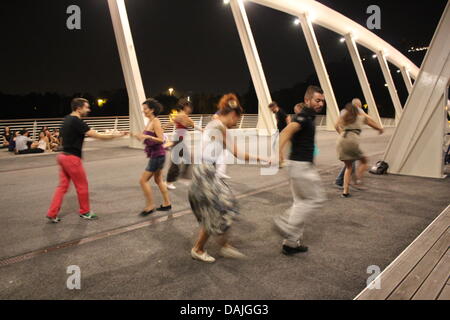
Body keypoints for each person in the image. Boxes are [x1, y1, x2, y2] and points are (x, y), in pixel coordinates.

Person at [189, 93, 267, 263]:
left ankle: (224, 246)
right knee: (218, 211)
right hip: (205, 174)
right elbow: (238, 153)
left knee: (225, 207)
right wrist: (263, 159)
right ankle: (198, 249)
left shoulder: (215, 124)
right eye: (237, 120)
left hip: (205, 172)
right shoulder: (220, 127)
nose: (236, 124)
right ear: (233, 115)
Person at [46, 98, 127, 223]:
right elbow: (98, 136)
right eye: (86, 107)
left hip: (62, 156)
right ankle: (85, 212)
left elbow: (62, 139)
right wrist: (118, 135)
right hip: (72, 158)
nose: (88, 109)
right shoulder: (77, 121)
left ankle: (52, 213)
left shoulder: (66, 119)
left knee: (62, 186)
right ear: (79, 108)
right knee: (82, 186)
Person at [274, 86, 327, 256]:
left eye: (322, 101)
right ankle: (284, 224)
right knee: (315, 199)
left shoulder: (308, 116)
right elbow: (286, 132)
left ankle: (290, 243)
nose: (321, 103)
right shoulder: (304, 116)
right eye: (317, 100)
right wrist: (279, 155)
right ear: (307, 100)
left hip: (296, 165)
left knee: (300, 203)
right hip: (301, 166)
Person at [131, 98, 172, 216]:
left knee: (143, 181)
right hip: (156, 155)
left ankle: (150, 206)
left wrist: (150, 137)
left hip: (158, 155)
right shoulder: (149, 122)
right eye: (143, 109)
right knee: (158, 180)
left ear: (152, 110)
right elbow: (142, 136)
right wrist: (131, 134)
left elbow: (160, 139)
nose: (143, 111)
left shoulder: (156, 121)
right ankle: (167, 203)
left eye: (145, 109)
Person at [335, 100, 384, 198]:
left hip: (341, 140)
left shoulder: (344, 118)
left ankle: (345, 192)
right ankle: (357, 180)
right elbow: (371, 123)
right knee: (364, 161)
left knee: (348, 167)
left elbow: (336, 126)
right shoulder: (360, 118)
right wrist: (380, 129)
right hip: (352, 141)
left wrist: (342, 133)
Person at [164, 98, 201, 190]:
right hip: (179, 141)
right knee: (177, 163)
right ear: (185, 107)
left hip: (179, 140)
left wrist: (162, 127)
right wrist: (204, 130)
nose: (190, 109)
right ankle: (171, 181)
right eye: (189, 107)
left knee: (184, 160)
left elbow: (171, 122)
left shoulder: (180, 115)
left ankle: (181, 178)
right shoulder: (183, 116)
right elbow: (193, 125)